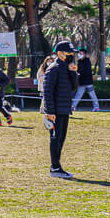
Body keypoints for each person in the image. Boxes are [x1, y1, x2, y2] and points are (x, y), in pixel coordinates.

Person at [44, 41, 80, 179]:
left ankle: (57, 166)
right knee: (55, 138)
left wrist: (73, 72)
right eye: (69, 52)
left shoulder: (66, 67)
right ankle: (55, 167)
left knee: (61, 139)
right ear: (60, 53)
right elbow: (48, 91)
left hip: (65, 109)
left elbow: (73, 87)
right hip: (56, 111)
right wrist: (50, 111)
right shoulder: (53, 68)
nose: (71, 55)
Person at [72, 46, 100, 113]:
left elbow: (87, 71)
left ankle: (96, 107)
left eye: (81, 54)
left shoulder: (87, 61)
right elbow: (78, 70)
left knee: (92, 95)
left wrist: (79, 74)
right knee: (78, 95)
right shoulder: (79, 62)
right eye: (79, 53)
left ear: (84, 54)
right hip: (81, 82)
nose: (79, 55)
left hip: (88, 82)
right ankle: (73, 106)